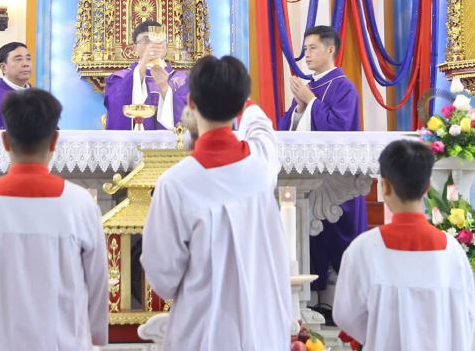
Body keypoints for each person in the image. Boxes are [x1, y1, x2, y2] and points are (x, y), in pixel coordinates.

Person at [141, 55, 290, 350]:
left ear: (191, 103)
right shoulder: (261, 167)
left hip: (203, 333)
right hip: (262, 332)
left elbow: (163, 277)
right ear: (239, 108)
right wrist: (242, 99)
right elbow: (262, 131)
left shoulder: (176, 183)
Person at [0, 89, 108, 350]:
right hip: (60, 341)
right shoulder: (81, 205)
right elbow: (97, 283)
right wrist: (95, 335)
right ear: (54, 141)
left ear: (5, 141)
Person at [333, 140, 475, 350]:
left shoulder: (364, 249)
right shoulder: (453, 252)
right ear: (427, 187)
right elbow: (466, 318)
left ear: (385, 186)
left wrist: (379, 333)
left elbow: (346, 315)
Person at [278, 25, 367, 296]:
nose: (306, 54)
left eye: (313, 48)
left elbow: (339, 128)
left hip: (336, 183)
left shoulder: (343, 87)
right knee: (307, 236)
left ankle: (336, 299)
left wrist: (312, 102)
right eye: (305, 49)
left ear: (330, 49)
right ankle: (313, 297)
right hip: (305, 180)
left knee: (333, 236)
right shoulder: (310, 87)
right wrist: (300, 108)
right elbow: (285, 129)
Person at [103, 19, 188, 130]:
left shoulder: (180, 80)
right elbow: (116, 106)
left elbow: (188, 115)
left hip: (168, 141)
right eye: (147, 40)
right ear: (135, 49)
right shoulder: (119, 78)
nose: (153, 45)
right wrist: (142, 66)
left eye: (159, 40)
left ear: (166, 46)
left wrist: (165, 90)